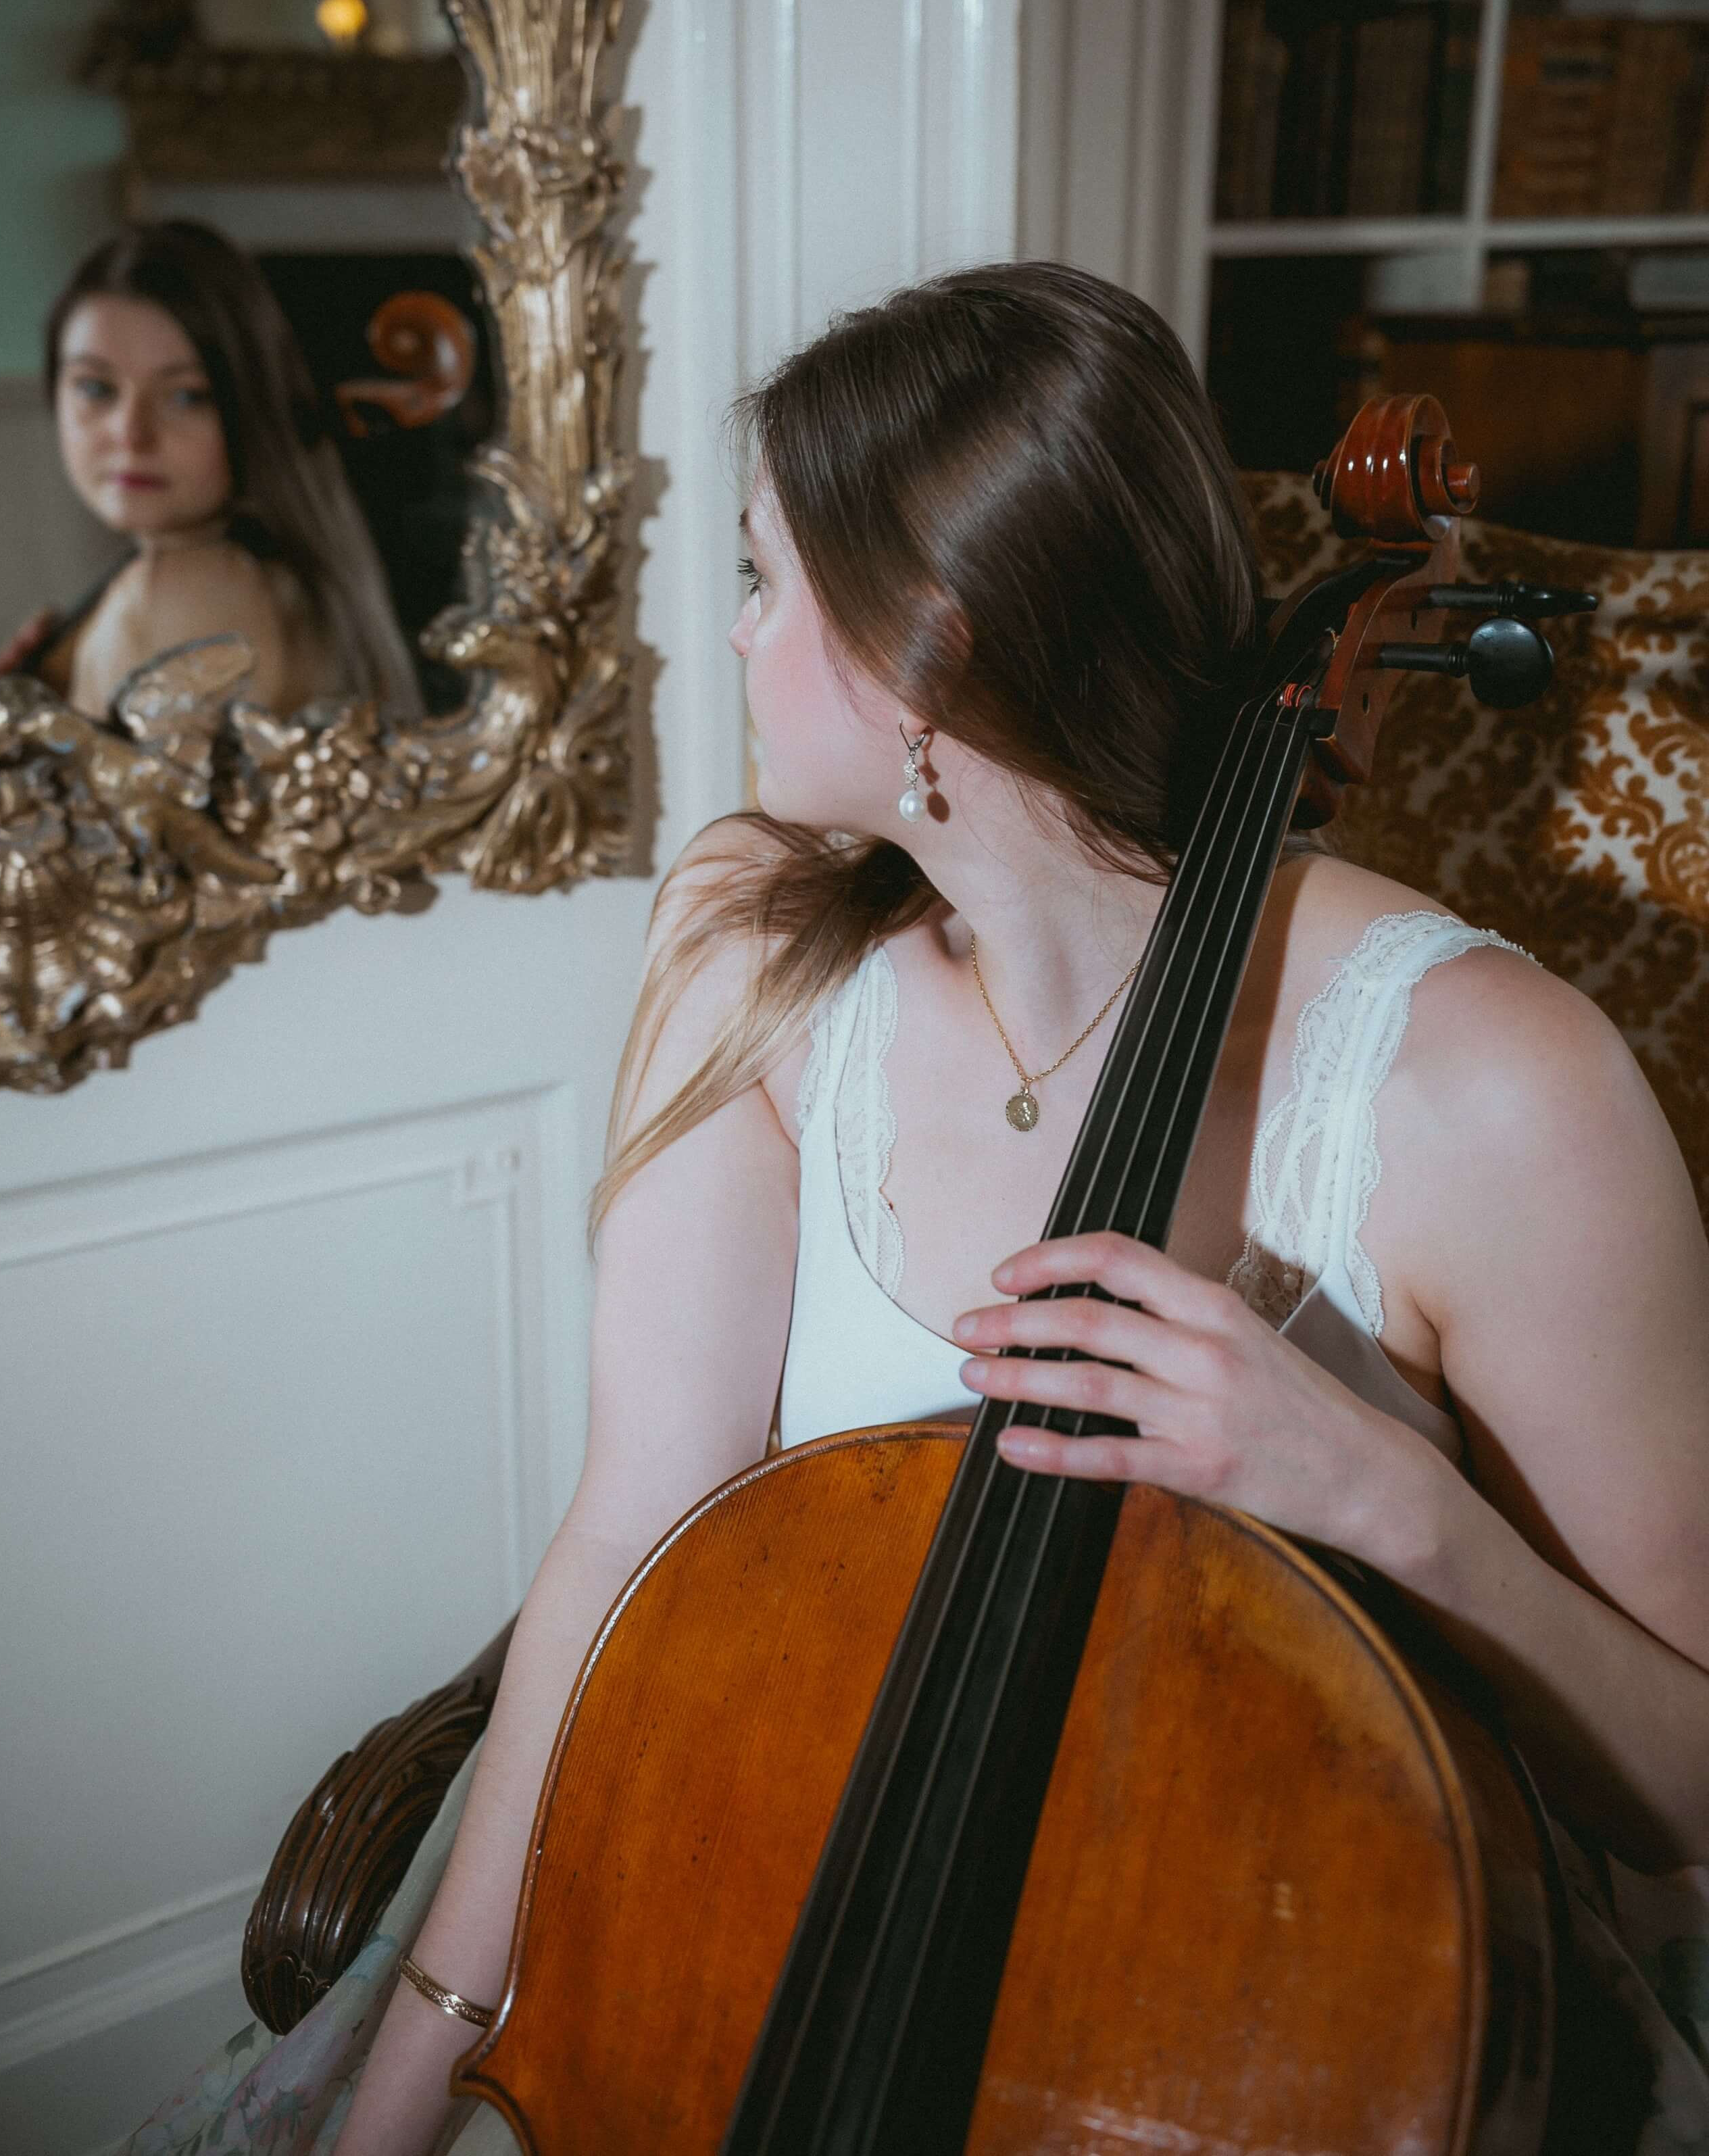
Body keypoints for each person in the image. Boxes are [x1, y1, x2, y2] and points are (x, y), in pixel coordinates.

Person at [126, 264, 1709, 2156]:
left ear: (928, 650)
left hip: (1297, 2015)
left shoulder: (1488, 1090)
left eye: (760, 581)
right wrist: (411, 2090)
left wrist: (1386, 1498)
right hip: (786, 1917)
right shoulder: (754, 939)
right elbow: (631, 1527)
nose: (727, 638)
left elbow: (1689, 1798)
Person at [0, 221, 422, 720]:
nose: (131, 434)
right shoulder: (257, 571)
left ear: (250, 408)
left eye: (186, 396)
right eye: (95, 388)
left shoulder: (182, 588)